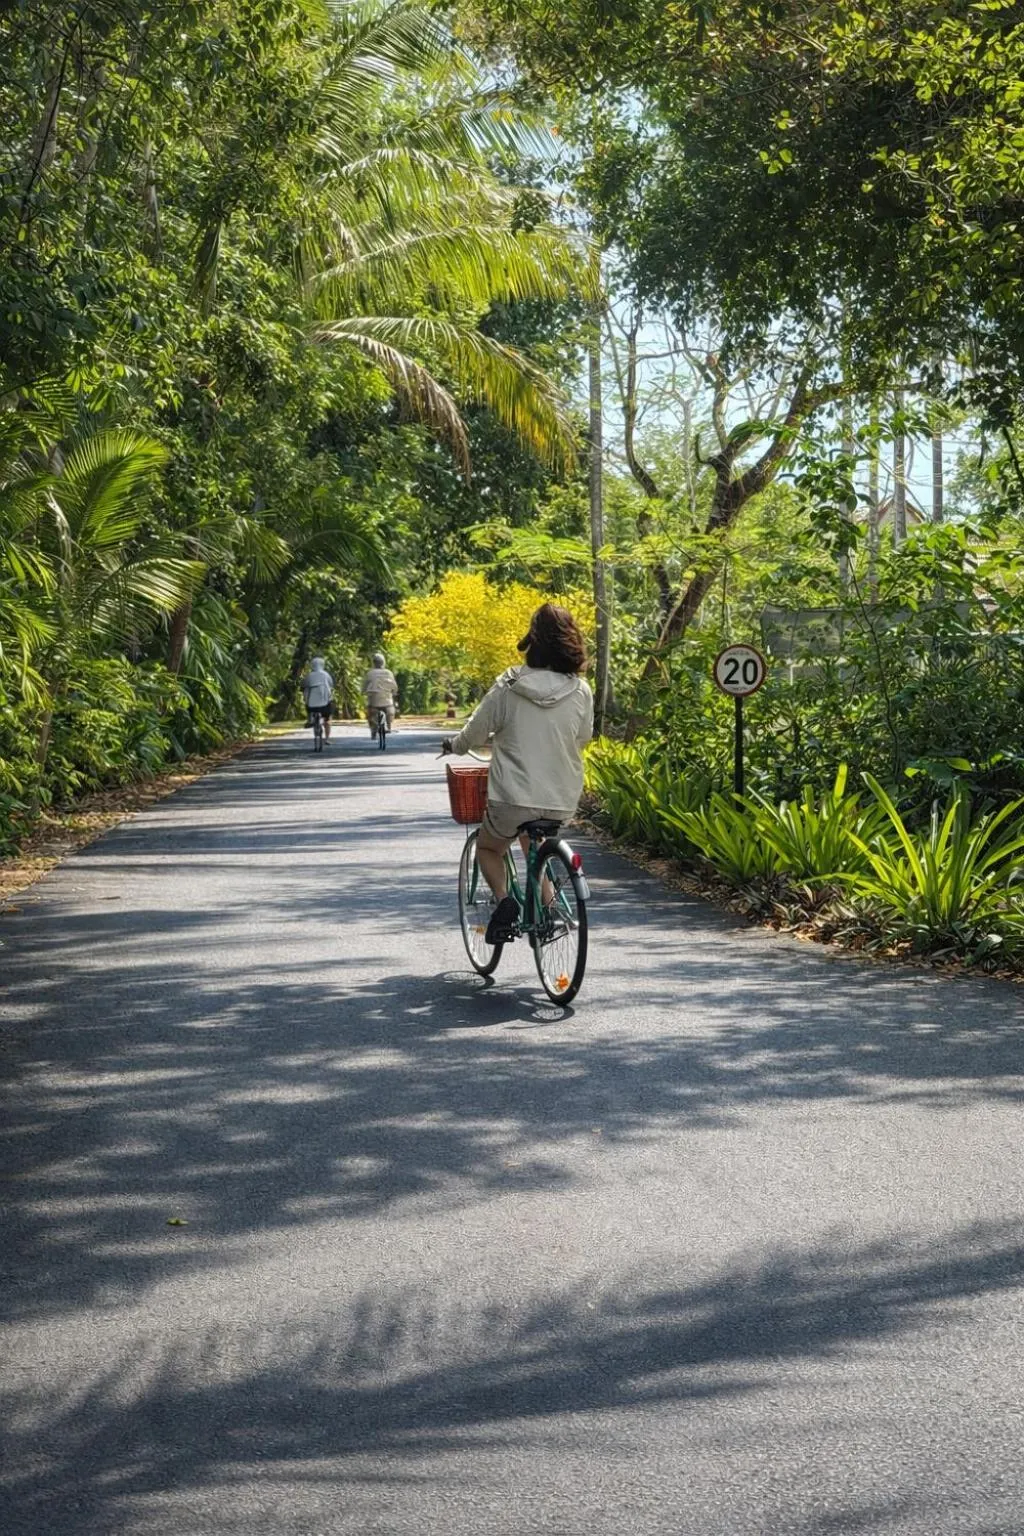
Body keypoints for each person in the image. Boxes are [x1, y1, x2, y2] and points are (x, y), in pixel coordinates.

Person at [443, 602, 593, 944]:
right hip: (561, 798)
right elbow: (583, 737)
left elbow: (475, 734)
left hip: (512, 799)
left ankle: (504, 901)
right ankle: (551, 910)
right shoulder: (581, 690)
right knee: (534, 845)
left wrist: (454, 745)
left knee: (489, 848)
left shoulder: (509, 684)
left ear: (533, 641)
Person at [362, 651, 400, 739]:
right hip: (387, 700)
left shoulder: (370, 673)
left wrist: (363, 692)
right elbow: (394, 686)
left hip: (373, 700)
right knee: (390, 711)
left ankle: (373, 731)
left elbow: (364, 686)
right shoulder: (388, 673)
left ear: (373, 663)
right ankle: (388, 725)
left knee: (370, 713)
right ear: (383, 662)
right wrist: (394, 692)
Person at [301, 656, 335, 741]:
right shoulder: (325, 674)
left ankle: (309, 719)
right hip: (325, 704)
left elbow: (304, 685)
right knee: (327, 720)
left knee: (307, 706)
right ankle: (327, 739)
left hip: (311, 705)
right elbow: (331, 684)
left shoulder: (309, 676)